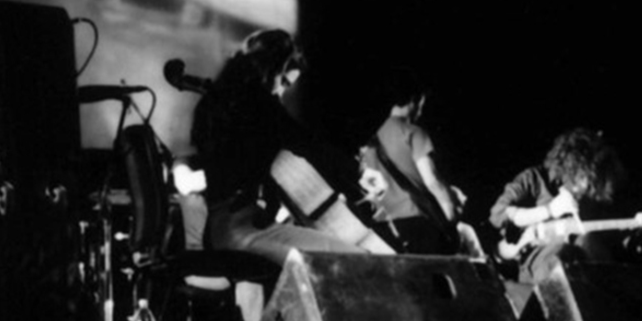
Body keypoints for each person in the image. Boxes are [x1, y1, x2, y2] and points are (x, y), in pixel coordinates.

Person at [190, 28, 369, 266]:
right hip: (239, 230)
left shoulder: (217, 102)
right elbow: (308, 145)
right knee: (346, 262)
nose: (281, 91)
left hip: (239, 224)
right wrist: (359, 172)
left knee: (346, 257)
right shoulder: (259, 104)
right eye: (283, 81)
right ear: (273, 68)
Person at [356, 75, 484, 257]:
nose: (421, 110)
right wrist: (450, 216)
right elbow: (432, 181)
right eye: (422, 102)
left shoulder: (371, 139)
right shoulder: (413, 133)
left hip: (385, 228)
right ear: (414, 100)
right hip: (417, 223)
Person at [488, 126, 625, 285]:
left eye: (590, 183)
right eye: (582, 177)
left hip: (581, 267)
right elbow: (498, 215)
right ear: (571, 165)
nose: (583, 188)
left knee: (591, 244)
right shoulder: (534, 179)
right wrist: (550, 210)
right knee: (564, 254)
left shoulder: (588, 195)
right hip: (540, 267)